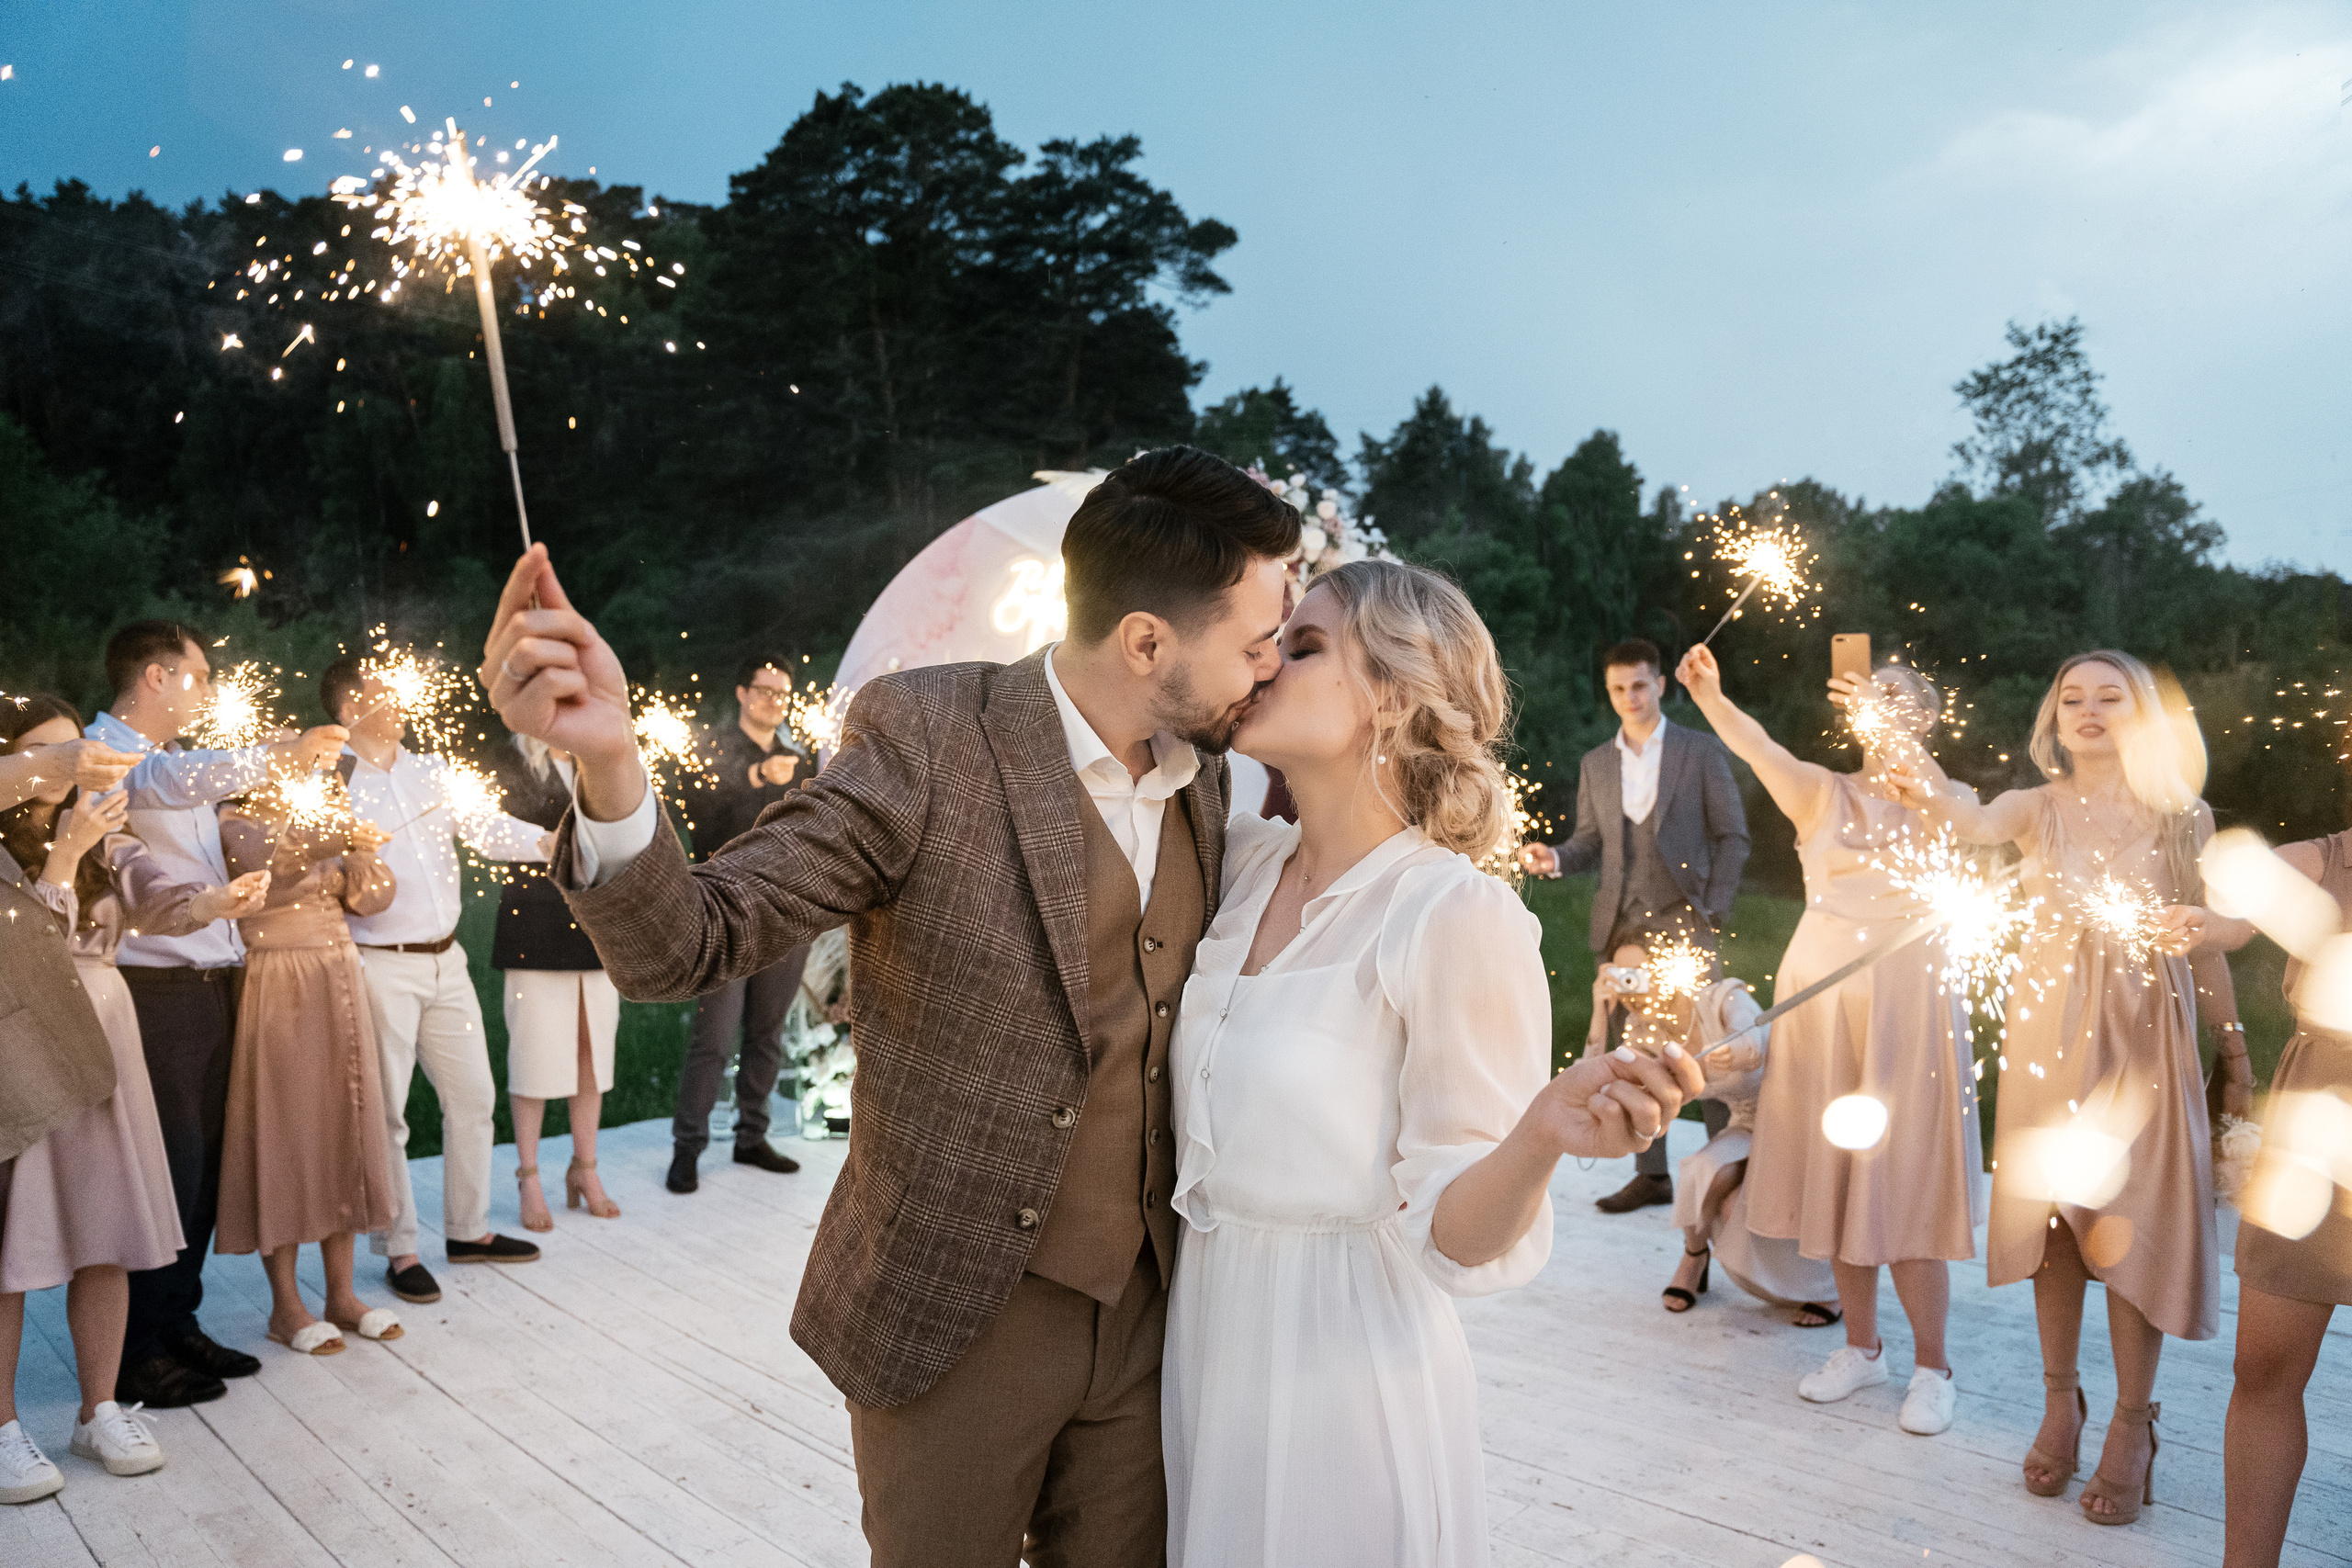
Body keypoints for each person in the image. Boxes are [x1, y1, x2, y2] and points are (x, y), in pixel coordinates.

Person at [483, 446, 1297, 1566]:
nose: (1269, 670)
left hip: (1158, 1318)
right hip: (958, 1317)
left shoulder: (1205, 775)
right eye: (1254, 645)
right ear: (1147, 641)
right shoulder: (924, 737)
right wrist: (614, 764)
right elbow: (691, 942)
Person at [1162, 558, 1702, 1566]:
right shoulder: (1235, 867)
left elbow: (1455, 1241)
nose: (1267, 662)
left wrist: (1539, 1135)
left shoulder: (1453, 913)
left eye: (1307, 644)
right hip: (1203, 1340)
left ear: (1395, 696)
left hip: (1343, 1369)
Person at [1889, 649, 2246, 1522]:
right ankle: (2061, 1399)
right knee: (2054, 1224)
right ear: (2054, 717)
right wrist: (1894, 735)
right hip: (2049, 1040)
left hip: (2145, 1050)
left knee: (2133, 1228)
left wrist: (2233, 1053)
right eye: (2071, 696)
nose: (2088, 709)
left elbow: (2219, 932)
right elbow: (1957, 811)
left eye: (2109, 696)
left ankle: (2133, 1420)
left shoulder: (2182, 818)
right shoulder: (2036, 809)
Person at [1678, 644, 1988, 1434]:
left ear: (1926, 718)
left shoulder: (1949, 799)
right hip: (1824, 1010)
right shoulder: (1823, 794)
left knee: (1905, 1183)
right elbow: (1758, 746)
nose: (1880, 709)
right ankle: (1862, 1346)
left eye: (1899, 700)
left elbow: (1962, 828)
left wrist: (1897, 734)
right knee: (1841, 1177)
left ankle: (1933, 1365)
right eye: (1869, 697)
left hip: (1908, 1010)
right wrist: (1711, 695)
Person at [0, 697, 266, 1501]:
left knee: (109, 1231)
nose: (66, 769)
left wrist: (208, 905)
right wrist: (59, 857)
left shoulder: (103, 836)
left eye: (72, 751)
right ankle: (4, 1428)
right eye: (44, 756)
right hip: (26, 1037)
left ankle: (99, 1408)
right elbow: (27, 948)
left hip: (109, 1036)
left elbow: (150, 896)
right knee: (11, 1251)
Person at [87, 620, 346, 1408]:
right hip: (156, 990)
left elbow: (199, 790)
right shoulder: (109, 752)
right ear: (157, 677)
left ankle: (178, 1320)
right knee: (164, 1169)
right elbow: (169, 787)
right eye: (199, 675)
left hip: (213, 981)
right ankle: (135, 1355)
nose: (206, 689)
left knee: (200, 1169)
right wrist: (276, 752)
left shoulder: (177, 763)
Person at [321, 656, 552, 1307]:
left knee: (474, 1095)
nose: (397, 700)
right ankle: (401, 1248)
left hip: (447, 959)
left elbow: (486, 828)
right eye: (379, 692)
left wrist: (545, 842)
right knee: (388, 1111)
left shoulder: (433, 770)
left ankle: (468, 1230)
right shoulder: (333, 782)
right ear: (346, 709)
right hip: (378, 960)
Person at [1520, 638, 1750, 1213]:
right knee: (1634, 1053)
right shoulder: (1596, 763)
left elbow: (1732, 836)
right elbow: (1590, 842)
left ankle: (1725, 1169)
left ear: (1661, 685)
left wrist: (1714, 908)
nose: (1629, 697)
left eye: (1639, 685)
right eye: (1618, 688)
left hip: (1688, 921)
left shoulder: (1700, 753)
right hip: (1621, 928)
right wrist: (1556, 858)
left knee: (1706, 1044)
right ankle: (1653, 1175)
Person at [215, 789, 403, 1354]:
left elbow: (375, 899)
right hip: (280, 980)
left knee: (343, 1129)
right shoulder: (234, 820)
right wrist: (336, 838)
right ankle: (285, 1304)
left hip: (337, 978)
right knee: (287, 1132)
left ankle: (341, 1295)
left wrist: (361, 858)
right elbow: (268, 865)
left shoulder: (323, 815)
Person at [2222, 830, 2350, 1567]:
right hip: (2317, 1120)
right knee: (2266, 1366)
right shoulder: (2328, 859)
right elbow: (2232, 910)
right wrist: (2200, 921)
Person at [666, 656, 813, 1194]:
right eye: (764, 690)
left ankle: (751, 1135)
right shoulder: (714, 748)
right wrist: (755, 776)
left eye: (783, 693)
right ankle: (688, 1147)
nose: (774, 700)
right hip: (724, 911)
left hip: (785, 913)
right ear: (742, 693)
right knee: (714, 1037)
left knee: (766, 1033)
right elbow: (698, 813)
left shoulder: (803, 757)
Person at [490, 733, 623, 1227]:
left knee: (593, 1050)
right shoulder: (512, 760)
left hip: (596, 925)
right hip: (535, 926)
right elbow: (494, 831)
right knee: (535, 1053)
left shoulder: (600, 763)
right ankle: (528, 1175)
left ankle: (584, 1168)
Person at [1651, 975, 1840, 1318]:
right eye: (1619, 978)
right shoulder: (1647, 1029)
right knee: (1702, 1169)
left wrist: (1742, 1047)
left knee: (1740, 1206)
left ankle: (1827, 1289)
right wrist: (1602, 1017)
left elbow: (1749, 1028)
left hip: (1804, 1120)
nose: (1631, 988)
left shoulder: (1721, 999)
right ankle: (1694, 1257)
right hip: (1749, 1121)